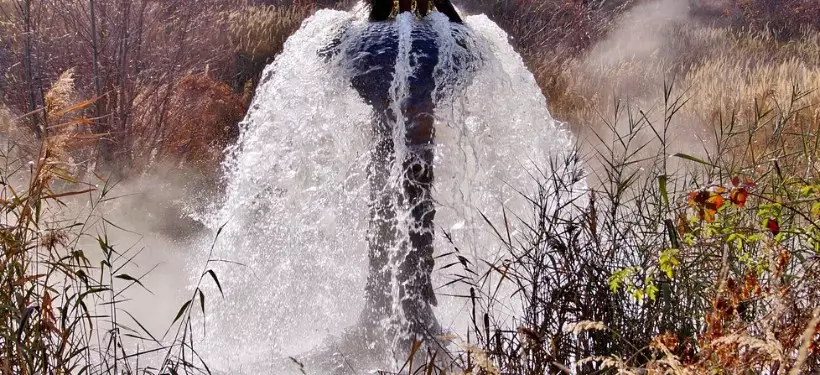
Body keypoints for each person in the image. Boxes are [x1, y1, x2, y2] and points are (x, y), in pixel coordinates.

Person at [344, 0, 467, 349]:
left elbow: (464, 45)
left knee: (408, 214)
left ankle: (408, 308)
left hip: (409, 144)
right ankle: (389, 306)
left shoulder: (378, 33)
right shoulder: (402, 35)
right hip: (403, 142)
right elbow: (464, 41)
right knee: (396, 214)